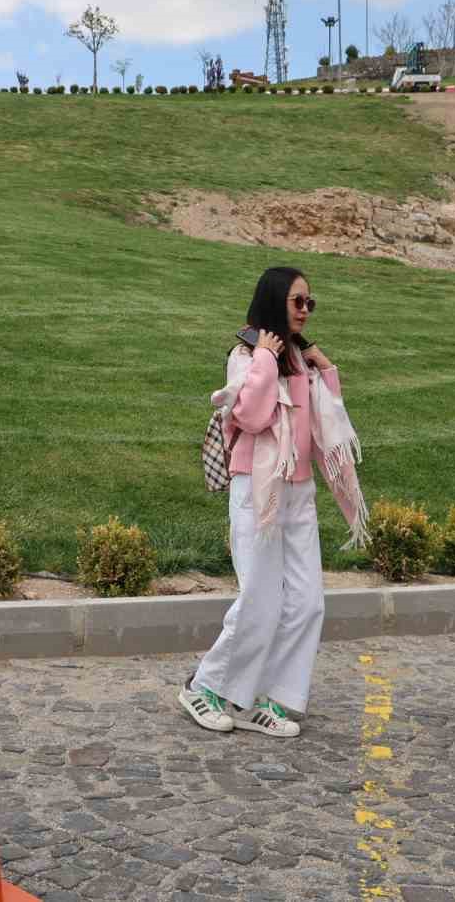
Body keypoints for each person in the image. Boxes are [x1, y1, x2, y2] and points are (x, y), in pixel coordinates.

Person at [180, 266, 368, 738]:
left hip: (298, 489)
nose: (305, 311)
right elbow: (251, 414)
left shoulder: (301, 359)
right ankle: (206, 688)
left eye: (310, 303)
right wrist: (265, 358)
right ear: (273, 301)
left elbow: (329, 419)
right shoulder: (245, 354)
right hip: (258, 487)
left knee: (307, 602)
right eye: (297, 302)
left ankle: (277, 697)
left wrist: (325, 368)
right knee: (260, 597)